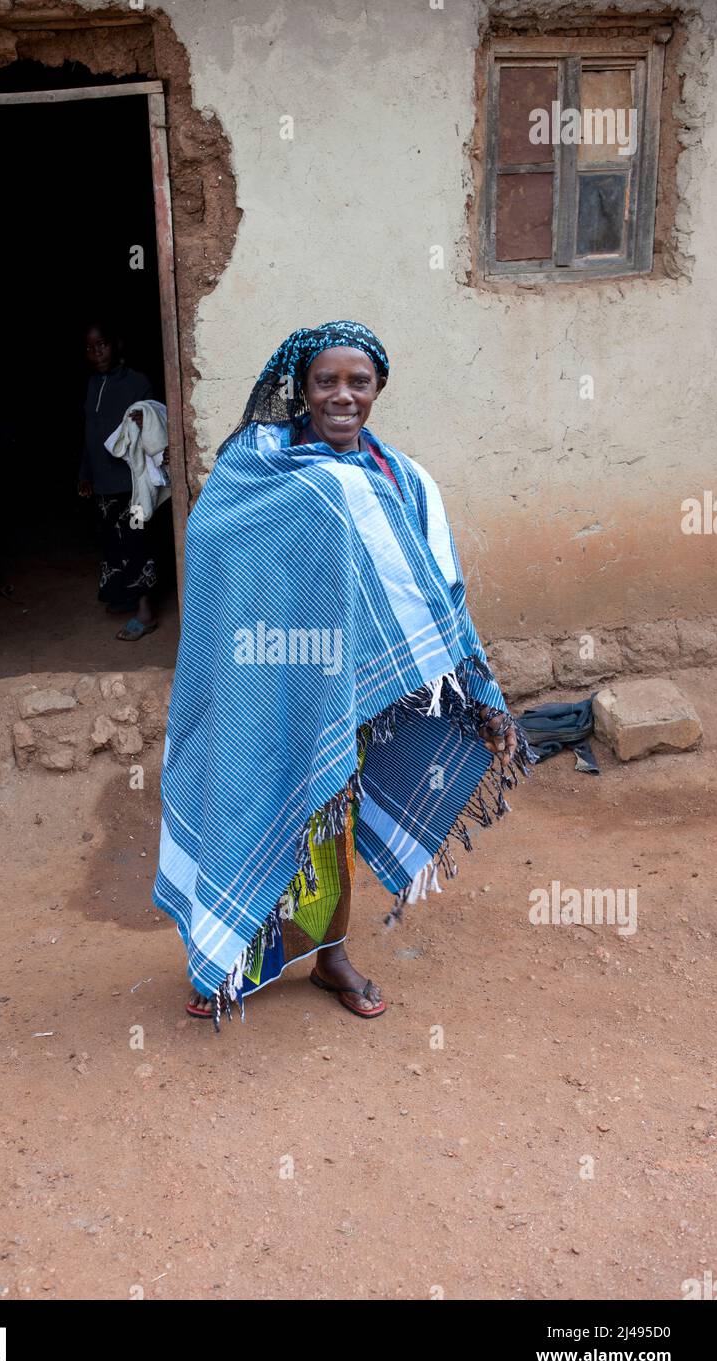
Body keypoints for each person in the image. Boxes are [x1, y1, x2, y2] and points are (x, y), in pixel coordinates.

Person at [154, 320, 533, 1028]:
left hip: (356, 694)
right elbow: (209, 544)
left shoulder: (405, 483)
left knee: (329, 822)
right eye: (325, 381)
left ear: (378, 388)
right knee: (242, 798)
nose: (341, 396)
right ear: (301, 387)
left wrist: (482, 701)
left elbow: (437, 597)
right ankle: (224, 959)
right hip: (260, 684)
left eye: (358, 382)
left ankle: (331, 959)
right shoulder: (257, 468)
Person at [78, 322, 158, 640]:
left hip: (132, 482)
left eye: (103, 344)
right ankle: (124, 597)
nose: (97, 352)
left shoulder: (137, 383)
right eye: (90, 347)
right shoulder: (91, 385)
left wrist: (145, 418)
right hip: (103, 483)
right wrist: (85, 474)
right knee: (113, 544)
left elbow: (156, 421)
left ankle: (146, 613)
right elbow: (89, 435)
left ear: (117, 345)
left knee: (137, 543)